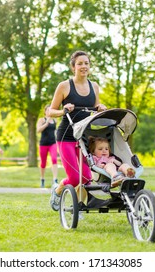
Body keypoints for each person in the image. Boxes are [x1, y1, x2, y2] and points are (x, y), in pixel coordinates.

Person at [48, 50, 107, 211]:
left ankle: (78, 208)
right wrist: (63, 110)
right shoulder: (64, 86)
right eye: (80, 63)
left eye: (86, 63)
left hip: (84, 137)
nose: (84, 66)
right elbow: (50, 111)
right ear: (73, 67)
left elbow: (94, 110)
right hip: (66, 136)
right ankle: (58, 190)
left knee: (87, 177)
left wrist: (100, 108)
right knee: (74, 178)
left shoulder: (94, 86)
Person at [36, 104, 58, 188]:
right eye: (48, 110)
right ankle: (42, 179)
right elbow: (38, 130)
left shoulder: (55, 120)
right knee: (43, 163)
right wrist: (46, 123)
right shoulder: (41, 120)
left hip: (53, 143)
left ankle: (55, 179)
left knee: (54, 159)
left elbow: (55, 132)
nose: (49, 111)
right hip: (43, 144)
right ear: (45, 111)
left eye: (50, 110)